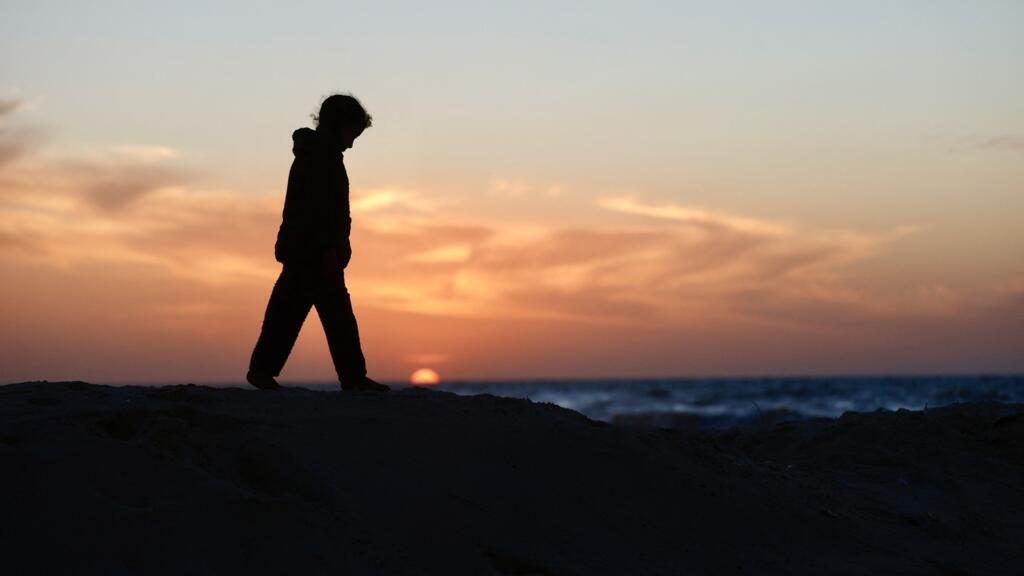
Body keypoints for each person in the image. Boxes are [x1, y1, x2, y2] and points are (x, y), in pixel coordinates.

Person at [247, 94, 389, 391]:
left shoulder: (318, 154)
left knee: (293, 311)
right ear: (339, 126)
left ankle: (264, 370)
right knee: (330, 315)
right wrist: (328, 249)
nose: (352, 144)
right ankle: (351, 377)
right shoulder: (321, 157)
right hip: (314, 251)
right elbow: (317, 208)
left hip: (308, 249)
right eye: (352, 134)